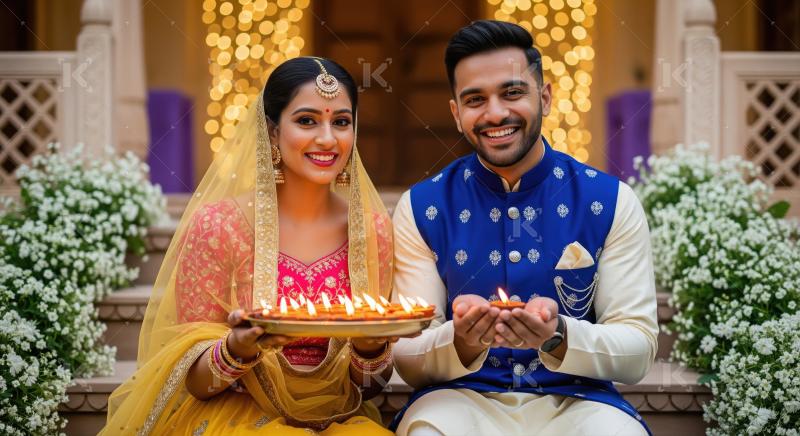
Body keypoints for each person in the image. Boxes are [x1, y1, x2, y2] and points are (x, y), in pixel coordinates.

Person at [102, 57, 396, 435]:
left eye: (341, 121)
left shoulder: (372, 232)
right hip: (238, 416)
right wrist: (238, 348)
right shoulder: (220, 226)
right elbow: (194, 382)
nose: (327, 138)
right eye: (307, 121)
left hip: (337, 420)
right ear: (272, 133)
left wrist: (372, 349)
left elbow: (368, 387)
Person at [391, 20, 658, 436]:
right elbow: (406, 354)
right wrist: (459, 341)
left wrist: (559, 335)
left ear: (545, 97)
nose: (496, 113)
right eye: (475, 99)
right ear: (456, 114)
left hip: (578, 401)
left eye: (512, 93)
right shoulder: (423, 208)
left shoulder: (610, 201)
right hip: (462, 399)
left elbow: (638, 350)